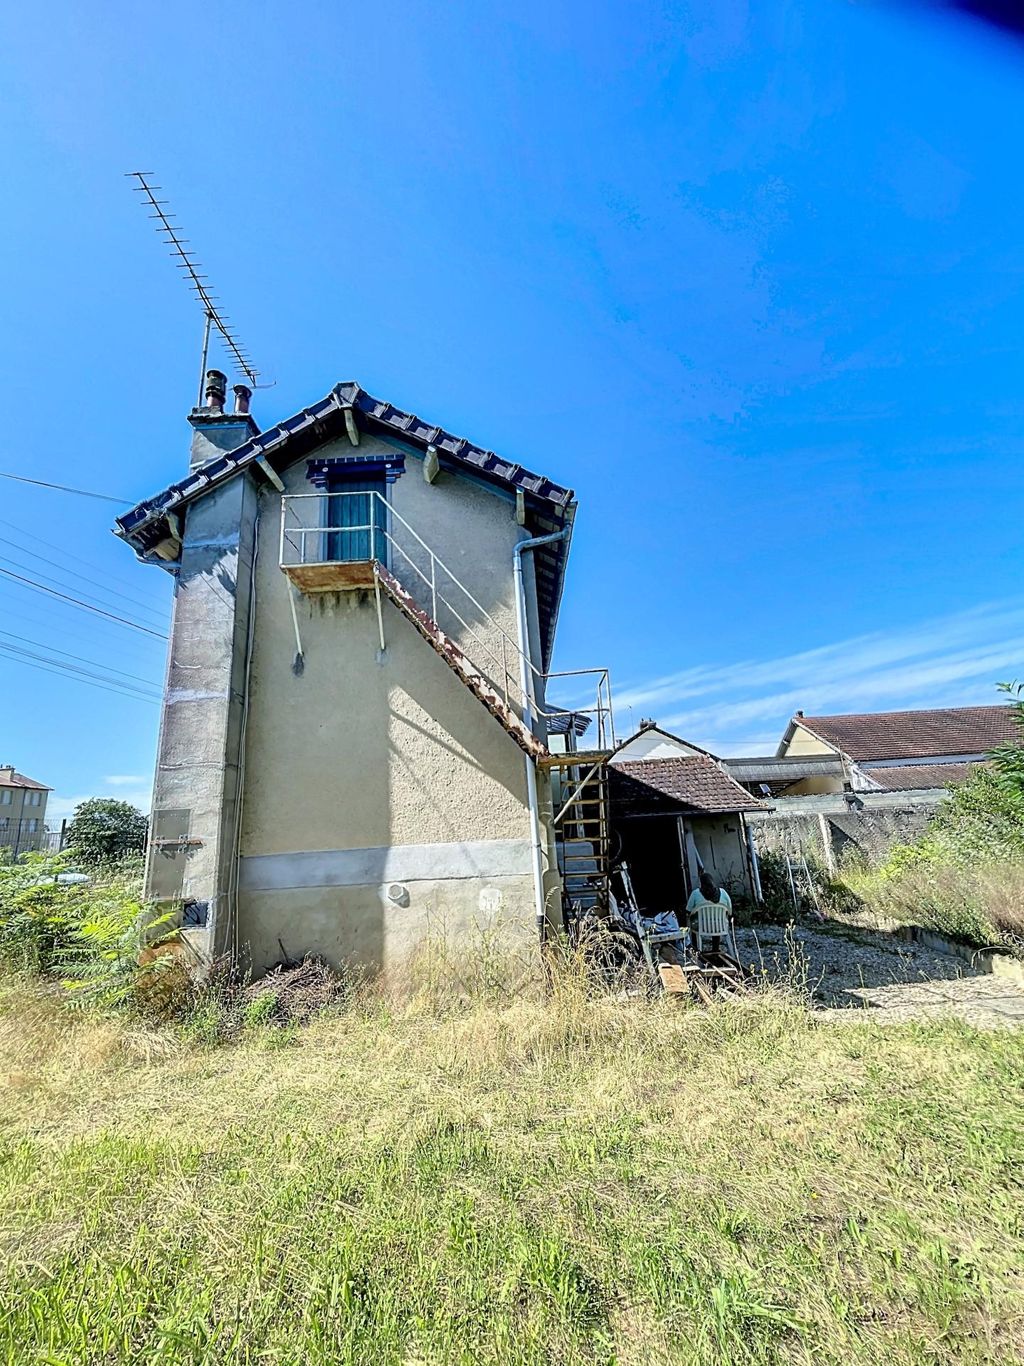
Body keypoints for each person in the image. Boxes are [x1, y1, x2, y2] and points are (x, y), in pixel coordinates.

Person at [685, 870, 732, 940]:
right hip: (721, 926)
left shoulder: (695, 893)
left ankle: (695, 947)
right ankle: (715, 947)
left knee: (690, 921)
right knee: (716, 922)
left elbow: (688, 911)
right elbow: (730, 911)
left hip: (701, 927)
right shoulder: (723, 892)